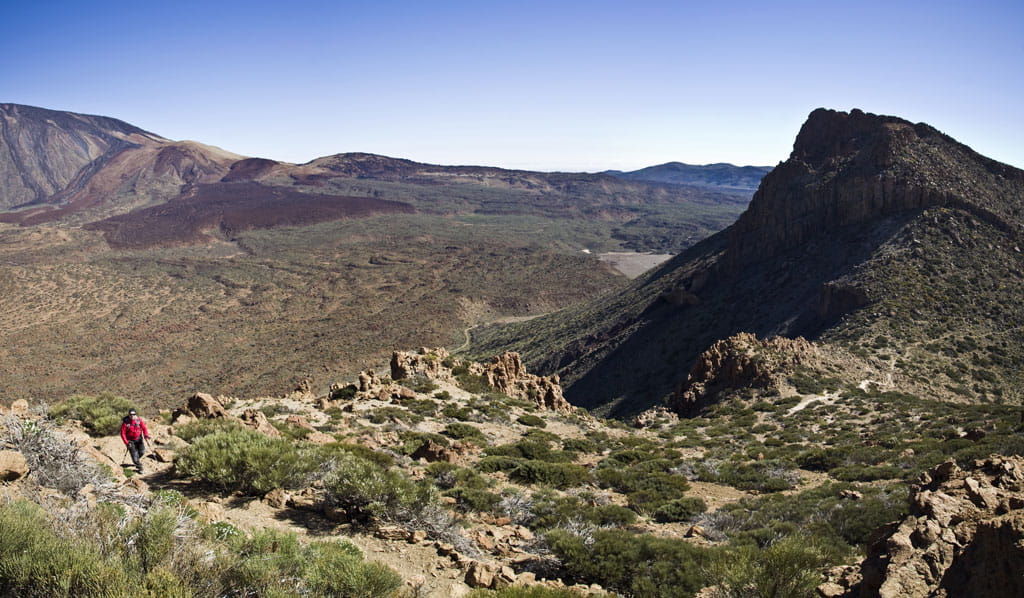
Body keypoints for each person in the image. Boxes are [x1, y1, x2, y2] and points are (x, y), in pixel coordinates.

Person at [120, 408, 151, 473]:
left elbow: (144, 428)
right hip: (130, 441)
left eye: (133, 414)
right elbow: (122, 433)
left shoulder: (139, 420)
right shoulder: (125, 422)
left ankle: (136, 460)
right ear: (128, 415)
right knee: (134, 455)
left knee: (142, 451)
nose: (132, 416)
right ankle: (140, 467)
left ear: (135, 414)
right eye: (131, 414)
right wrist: (126, 442)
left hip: (139, 439)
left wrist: (146, 435)